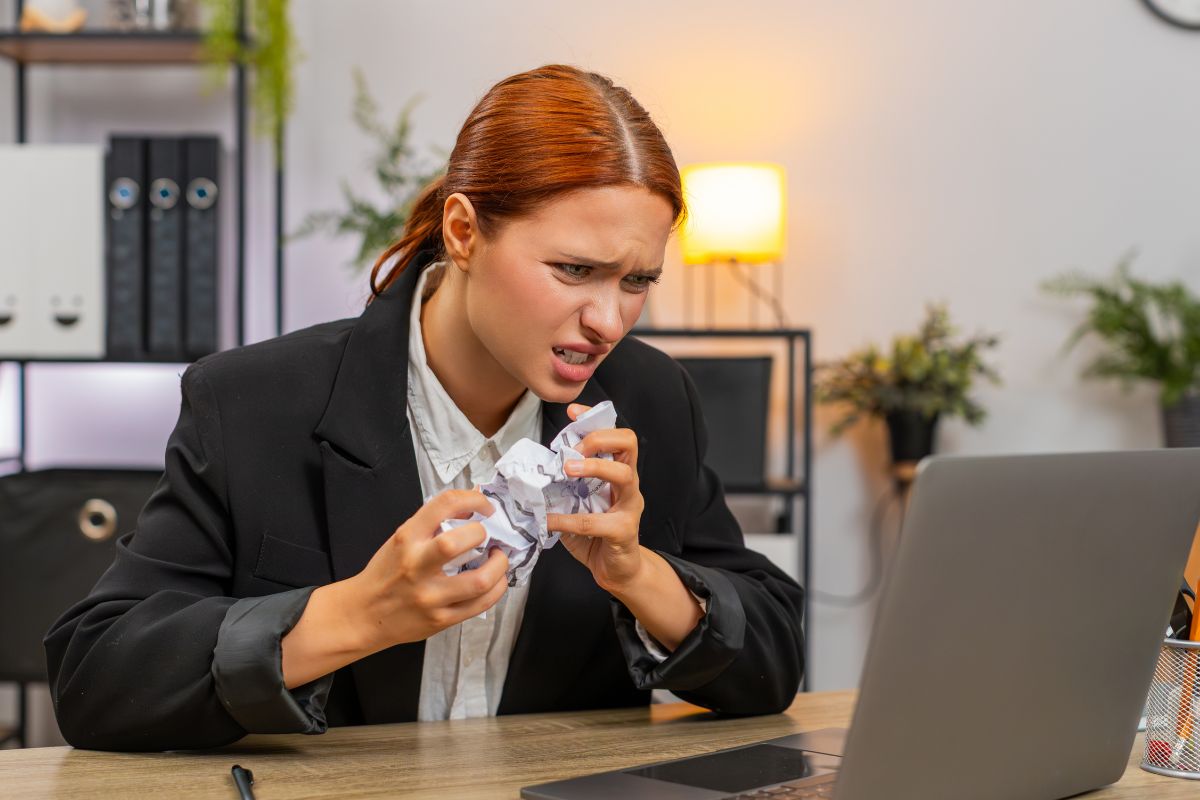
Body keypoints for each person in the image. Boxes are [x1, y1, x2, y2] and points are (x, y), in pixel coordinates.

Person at [44, 64, 805, 752]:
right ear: (464, 231)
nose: (609, 319)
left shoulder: (649, 402)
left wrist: (641, 577)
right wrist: (355, 616)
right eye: (575, 270)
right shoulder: (252, 404)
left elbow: (775, 664)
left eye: (637, 281)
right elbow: (97, 678)